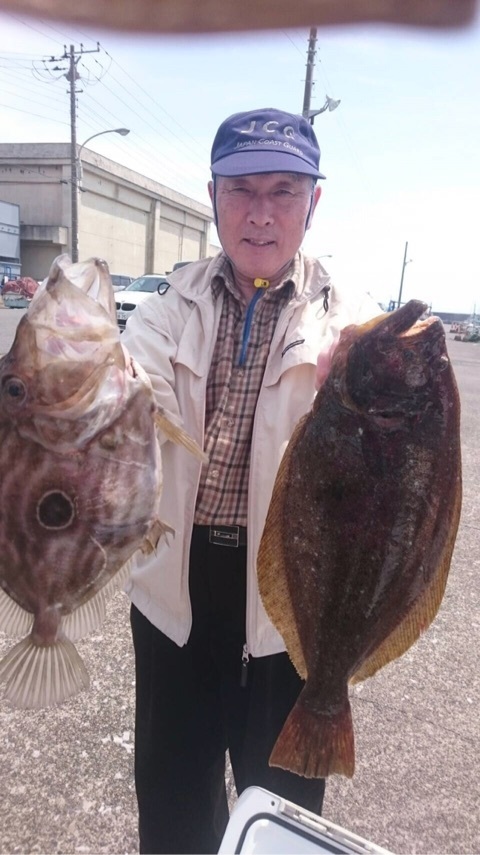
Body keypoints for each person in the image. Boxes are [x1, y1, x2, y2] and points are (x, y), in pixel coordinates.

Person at [122, 107, 380, 854]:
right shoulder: (168, 307)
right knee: (171, 804)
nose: (260, 214)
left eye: (283, 191)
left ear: (314, 202)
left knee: (283, 814)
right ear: (212, 196)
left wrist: (358, 381)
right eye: (241, 190)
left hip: (291, 604)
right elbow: (134, 381)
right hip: (176, 593)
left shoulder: (349, 323)